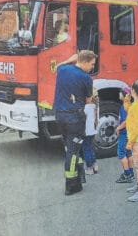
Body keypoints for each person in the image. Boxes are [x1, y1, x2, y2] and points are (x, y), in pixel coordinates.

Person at [54, 50, 96, 195]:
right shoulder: (86, 78)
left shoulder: (63, 69)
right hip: (75, 119)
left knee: (70, 147)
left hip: (60, 116)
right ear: (84, 62)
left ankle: (79, 177)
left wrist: (70, 59)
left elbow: (58, 66)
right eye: (91, 64)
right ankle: (71, 184)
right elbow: (88, 100)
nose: (92, 67)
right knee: (73, 150)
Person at [115, 87, 135, 183]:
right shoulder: (131, 105)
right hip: (130, 133)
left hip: (124, 133)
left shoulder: (124, 107)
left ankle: (126, 174)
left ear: (124, 96)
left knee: (121, 153)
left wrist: (118, 128)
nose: (119, 94)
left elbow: (126, 121)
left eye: (120, 93)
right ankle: (131, 173)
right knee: (129, 153)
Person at [82, 87, 99, 175]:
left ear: (90, 98)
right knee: (91, 148)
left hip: (86, 132)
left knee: (86, 149)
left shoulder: (87, 107)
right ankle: (95, 165)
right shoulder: (95, 107)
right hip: (93, 131)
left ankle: (89, 168)